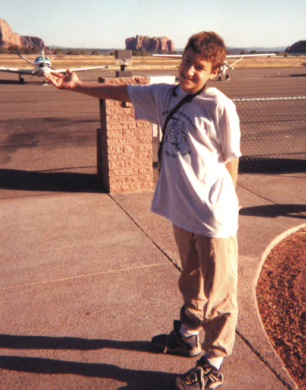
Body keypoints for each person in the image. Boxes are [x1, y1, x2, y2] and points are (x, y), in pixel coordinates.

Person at [45, 31, 241, 390]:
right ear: (179, 59)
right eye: (186, 62)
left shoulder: (220, 106)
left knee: (220, 294)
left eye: (200, 67)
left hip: (214, 216)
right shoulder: (164, 94)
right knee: (191, 280)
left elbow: (231, 161)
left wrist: (229, 206)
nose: (189, 71)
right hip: (182, 211)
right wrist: (76, 86)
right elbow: (122, 92)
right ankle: (188, 336)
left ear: (212, 71)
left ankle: (214, 364)